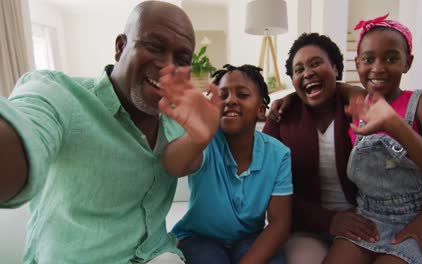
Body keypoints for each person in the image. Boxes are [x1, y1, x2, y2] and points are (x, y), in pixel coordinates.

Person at [0, 1, 196, 263]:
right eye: (153, 46)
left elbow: (195, 163)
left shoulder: (179, 121)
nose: (168, 67)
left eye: (182, 59)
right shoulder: (60, 95)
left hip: (156, 254)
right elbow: (27, 126)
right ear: (120, 47)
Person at [264, 31, 422, 264]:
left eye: (316, 63)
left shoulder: (361, 107)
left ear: (337, 70)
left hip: (368, 218)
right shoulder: (283, 117)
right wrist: (329, 220)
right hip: (319, 224)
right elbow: (269, 189)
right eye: (299, 69)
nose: (308, 72)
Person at [322, 14, 422, 264]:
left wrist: (396, 125)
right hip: (367, 217)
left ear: (407, 62)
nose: (378, 68)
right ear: (357, 63)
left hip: (415, 220)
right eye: (369, 59)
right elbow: (332, 85)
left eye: (391, 58)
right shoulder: (357, 103)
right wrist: (284, 100)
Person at [157, 64, 293, 264]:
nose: (230, 101)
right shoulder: (205, 141)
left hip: (249, 237)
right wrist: (198, 136)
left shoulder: (279, 154)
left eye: (243, 95)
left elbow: (279, 224)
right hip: (199, 238)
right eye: (223, 95)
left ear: (261, 110)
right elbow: (174, 166)